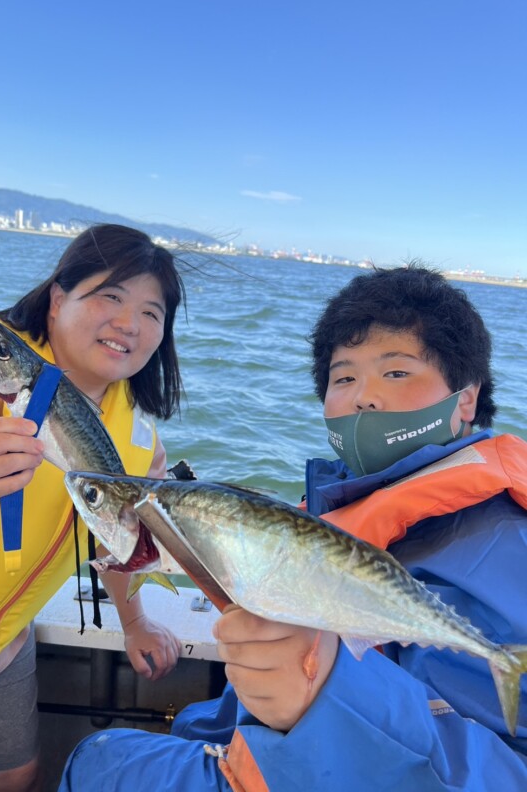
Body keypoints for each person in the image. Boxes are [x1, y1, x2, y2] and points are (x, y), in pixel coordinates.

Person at [59, 263, 527, 791]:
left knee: (96, 760)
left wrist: (324, 693)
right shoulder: (342, 502)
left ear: (465, 398)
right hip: (262, 746)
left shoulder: (505, 546)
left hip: (315, 768)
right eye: (343, 377)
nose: (363, 397)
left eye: (396, 373)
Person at [0, 224, 186, 792]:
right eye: (109, 297)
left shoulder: (139, 441)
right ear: (58, 297)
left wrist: (136, 624)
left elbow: (119, 541)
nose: (129, 324)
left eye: (152, 312)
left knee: (14, 777)